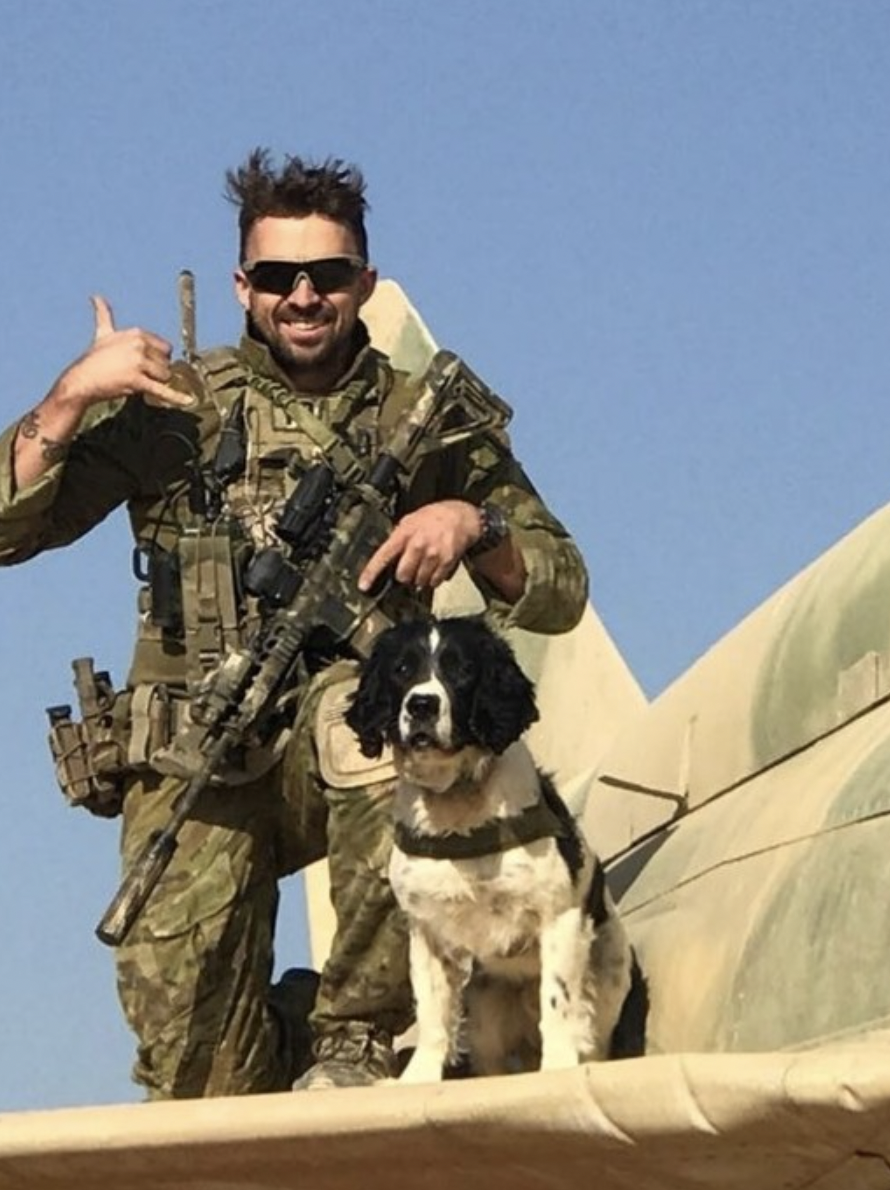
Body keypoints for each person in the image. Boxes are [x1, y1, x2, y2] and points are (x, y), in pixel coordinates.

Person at [0, 150, 589, 1099]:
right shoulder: (175, 407)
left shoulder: (423, 418)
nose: (303, 295)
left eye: (327, 274)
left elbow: (561, 588)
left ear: (365, 282)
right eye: (278, 275)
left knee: (362, 716)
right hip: (199, 755)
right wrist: (69, 398)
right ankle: (289, 1023)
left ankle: (356, 1032)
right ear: (244, 286)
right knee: (198, 1082)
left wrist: (472, 526)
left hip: (353, 753)